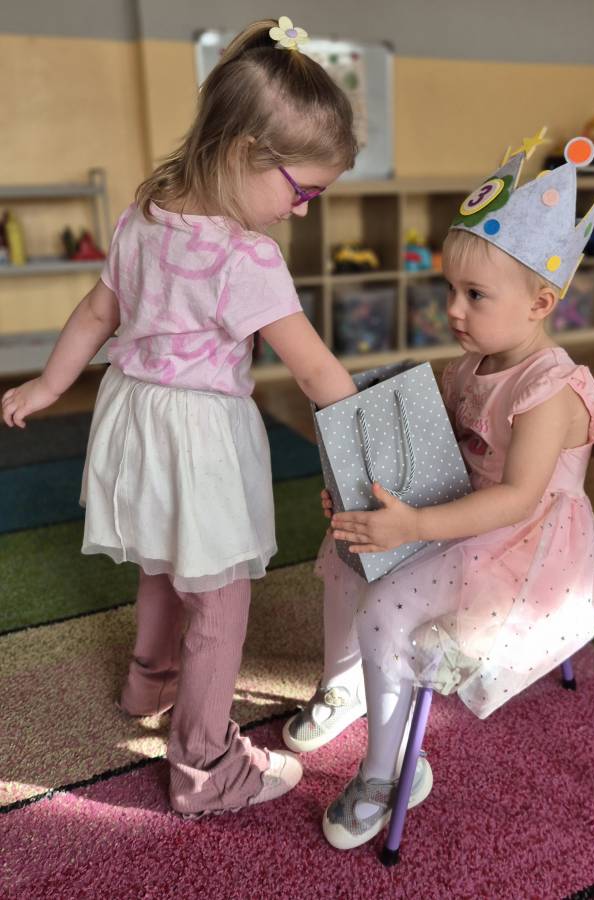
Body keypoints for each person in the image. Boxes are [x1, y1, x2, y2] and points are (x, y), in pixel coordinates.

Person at [1, 16, 359, 819]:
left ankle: (148, 684)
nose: (303, 211)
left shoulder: (145, 214)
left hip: (134, 423)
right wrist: (372, 444)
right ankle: (205, 766)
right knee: (220, 602)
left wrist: (50, 385)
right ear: (244, 154)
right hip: (199, 441)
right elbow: (314, 371)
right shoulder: (245, 258)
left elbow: (96, 312)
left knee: (162, 562)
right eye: (303, 191)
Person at [283, 131, 594, 850]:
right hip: (461, 515)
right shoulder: (470, 364)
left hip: (522, 552)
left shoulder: (548, 390)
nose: (453, 310)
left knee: (385, 613)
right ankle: (344, 685)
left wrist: (410, 527)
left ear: (540, 301)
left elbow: (517, 499)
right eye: (450, 290)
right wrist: (359, 494)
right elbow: (433, 451)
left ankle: (388, 772)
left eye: (475, 295)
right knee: (344, 548)